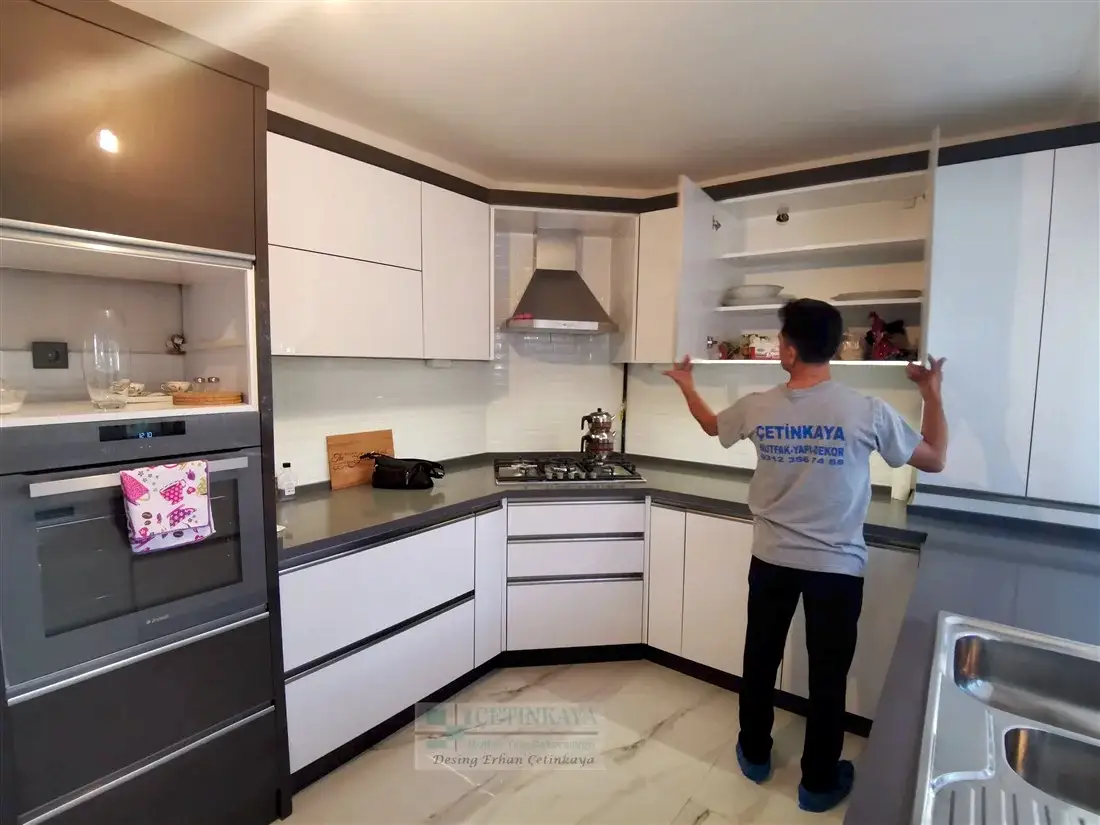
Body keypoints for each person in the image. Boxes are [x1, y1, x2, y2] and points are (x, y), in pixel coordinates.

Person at [663, 298, 947, 813]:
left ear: (789, 351)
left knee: (760, 658)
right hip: (836, 567)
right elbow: (934, 458)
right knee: (829, 676)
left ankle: (754, 753)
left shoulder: (757, 406)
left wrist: (687, 385)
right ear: (834, 347)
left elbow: (711, 426)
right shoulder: (866, 410)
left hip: (771, 559)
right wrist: (931, 392)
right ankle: (818, 783)